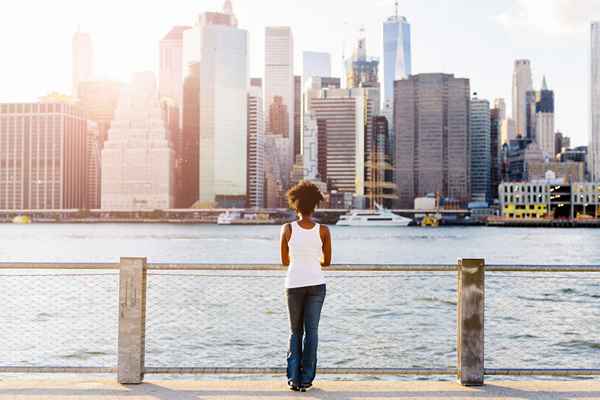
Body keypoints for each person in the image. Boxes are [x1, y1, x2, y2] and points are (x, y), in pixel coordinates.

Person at [280, 180, 332, 392]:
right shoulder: (324, 230)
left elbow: (285, 261)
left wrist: (299, 257)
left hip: (294, 284)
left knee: (295, 332)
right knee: (312, 333)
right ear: (315, 205)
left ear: (295, 205)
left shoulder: (287, 229)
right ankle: (307, 379)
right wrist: (313, 259)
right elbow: (326, 262)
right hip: (317, 285)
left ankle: (294, 379)